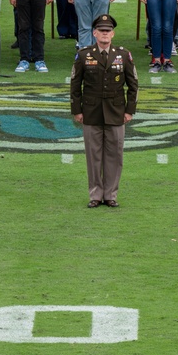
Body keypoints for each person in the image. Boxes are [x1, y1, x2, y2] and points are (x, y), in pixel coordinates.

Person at [70, 14, 138, 209]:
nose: (105, 34)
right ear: (94, 33)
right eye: (101, 31)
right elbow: (75, 85)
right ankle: (95, 194)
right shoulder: (84, 55)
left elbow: (133, 85)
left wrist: (129, 111)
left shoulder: (124, 55)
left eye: (108, 31)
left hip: (117, 112)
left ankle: (110, 195)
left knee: (115, 155)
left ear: (113, 34)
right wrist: (77, 110)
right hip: (90, 113)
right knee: (93, 156)